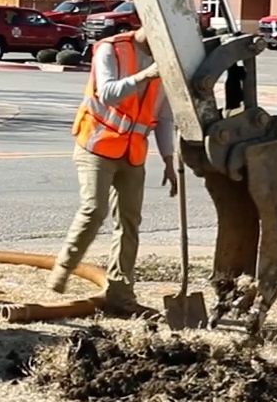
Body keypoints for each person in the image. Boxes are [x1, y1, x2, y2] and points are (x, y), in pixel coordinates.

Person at [47, 25, 178, 319]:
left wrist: (169, 161)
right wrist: (146, 74)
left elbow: (165, 117)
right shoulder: (112, 48)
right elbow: (107, 94)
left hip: (132, 154)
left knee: (129, 223)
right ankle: (64, 267)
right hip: (96, 145)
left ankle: (120, 297)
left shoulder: (167, 63)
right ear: (149, 24)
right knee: (94, 210)